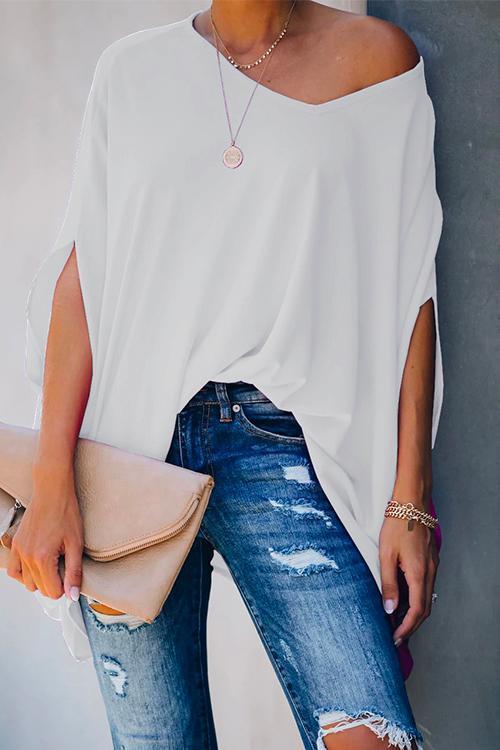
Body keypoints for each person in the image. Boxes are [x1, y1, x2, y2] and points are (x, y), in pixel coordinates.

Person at [11, 1, 444, 748]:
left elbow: (411, 288)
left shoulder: (378, 60)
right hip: (128, 452)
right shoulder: (131, 71)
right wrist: (52, 485)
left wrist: (411, 499)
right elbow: (82, 283)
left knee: (369, 734)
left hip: (286, 442)